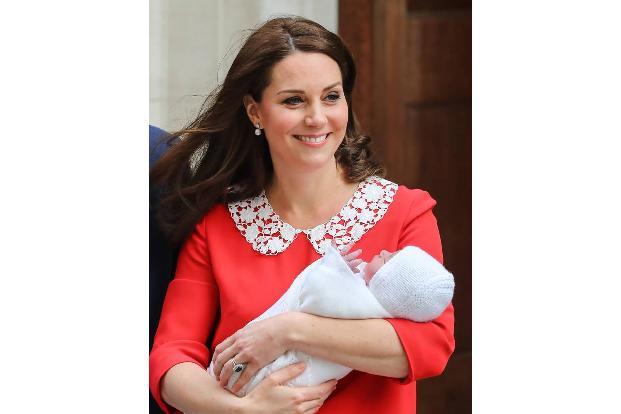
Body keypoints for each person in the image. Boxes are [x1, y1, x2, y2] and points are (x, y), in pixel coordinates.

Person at [150, 16, 455, 414]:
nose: (317, 118)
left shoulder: (405, 212)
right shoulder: (216, 225)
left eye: (331, 97)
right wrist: (244, 411)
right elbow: (170, 359)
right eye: (294, 100)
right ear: (255, 112)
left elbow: (431, 346)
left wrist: (289, 331)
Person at [209, 242, 455, 397]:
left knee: (242, 377)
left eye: (389, 259)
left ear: (388, 283)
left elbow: (316, 293)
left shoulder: (360, 302)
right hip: (253, 393)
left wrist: (332, 266)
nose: (384, 250)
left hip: (285, 376)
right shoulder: (373, 308)